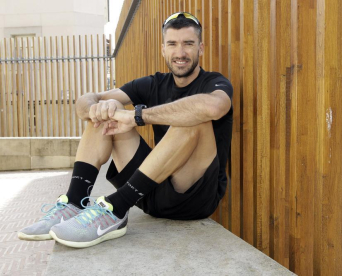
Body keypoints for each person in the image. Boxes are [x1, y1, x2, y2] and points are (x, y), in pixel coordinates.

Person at [17, 12, 233, 248]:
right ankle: (75, 202)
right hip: (147, 192)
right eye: (172, 44)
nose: (180, 53)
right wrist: (98, 109)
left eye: (188, 44)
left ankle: (116, 207)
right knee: (105, 109)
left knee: (195, 117)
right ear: (163, 49)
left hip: (192, 199)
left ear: (200, 48)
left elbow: (215, 106)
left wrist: (137, 116)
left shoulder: (214, 82)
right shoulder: (153, 83)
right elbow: (85, 101)